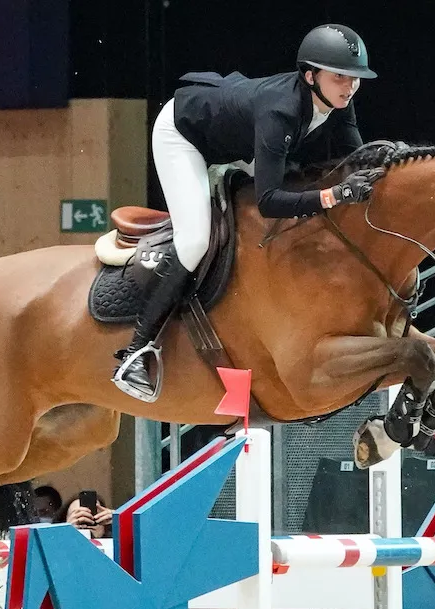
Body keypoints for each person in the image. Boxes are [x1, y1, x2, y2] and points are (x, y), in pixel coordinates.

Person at [113, 24, 384, 402]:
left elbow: (357, 160)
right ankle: (135, 353)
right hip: (184, 135)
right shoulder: (281, 111)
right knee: (194, 243)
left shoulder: (339, 101)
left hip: (237, 142)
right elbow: (270, 199)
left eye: (355, 78)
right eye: (340, 76)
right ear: (310, 75)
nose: (350, 85)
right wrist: (332, 196)